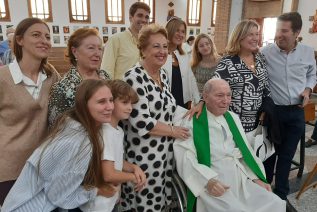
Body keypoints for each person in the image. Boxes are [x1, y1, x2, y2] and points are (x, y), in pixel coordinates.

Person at [2, 79, 117, 211]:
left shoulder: (72, 127)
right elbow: (60, 196)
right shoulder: (78, 141)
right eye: (101, 101)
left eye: (111, 100)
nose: (110, 107)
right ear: (84, 105)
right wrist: (96, 191)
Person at [173, 79, 285, 212]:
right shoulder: (191, 121)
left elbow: (245, 152)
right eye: (219, 95)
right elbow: (185, 157)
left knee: (275, 203)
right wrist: (207, 181)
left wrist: (256, 178)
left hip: (240, 178)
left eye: (228, 95)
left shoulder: (232, 117)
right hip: (213, 182)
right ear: (205, 97)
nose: (226, 101)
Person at [122, 24, 190, 211]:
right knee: (144, 205)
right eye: (156, 46)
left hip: (164, 156)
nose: (162, 52)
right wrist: (174, 131)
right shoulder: (133, 77)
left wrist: (195, 111)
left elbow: (169, 108)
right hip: (143, 157)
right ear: (143, 50)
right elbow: (141, 121)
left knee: (160, 204)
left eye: (165, 46)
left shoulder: (164, 75)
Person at [0, 18, 59, 205]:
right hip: (10, 169)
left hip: (43, 167)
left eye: (48, 36)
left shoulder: (51, 76)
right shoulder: (3, 78)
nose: (44, 40)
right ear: (20, 40)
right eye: (36, 35)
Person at [261, 12, 316, 201]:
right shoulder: (265, 52)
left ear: (297, 32)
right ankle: (265, 195)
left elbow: (312, 74)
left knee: (285, 158)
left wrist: (308, 90)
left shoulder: (307, 52)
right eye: (277, 30)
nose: (279, 34)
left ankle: (281, 198)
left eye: (284, 31)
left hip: (296, 113)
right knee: (269, 157)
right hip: (274, 112)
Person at [80, 80, 146, 212]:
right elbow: (109, 174)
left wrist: (133, 167)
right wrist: (134, 177)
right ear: (112, 102)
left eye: (131, 104)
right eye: (124, 102)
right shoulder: (106, 132)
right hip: (99, 205)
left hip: (110, 201)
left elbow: (114, 161)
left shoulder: (117, 131)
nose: (130, 108)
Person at [214, 20, 270, 136]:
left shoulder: (260, 58)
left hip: (258, 123)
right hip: (233, 124)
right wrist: (201, 102)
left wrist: (266, 109)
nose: (255, 38)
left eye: (257, 34)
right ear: (239, 37)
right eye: (250, 34)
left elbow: (266, 88)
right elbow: (213, 89)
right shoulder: (228, 62)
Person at [48, 28, 110, 127]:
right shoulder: (63, 88)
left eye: (100, 48)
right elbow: (56, 127)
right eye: (91, 48)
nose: (97, 54)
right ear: (74, 51)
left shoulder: (105, 76)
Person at [100, 2, 150, 79]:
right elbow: (106, 73)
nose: (144, 20)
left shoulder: (147, 43)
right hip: (120, 90)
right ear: (131, 18)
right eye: (140, 15)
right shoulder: (116, 40)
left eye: (147, 17)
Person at [163, 17, 200, 109]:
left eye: (183, 32)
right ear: (169, 31)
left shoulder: (184, 54)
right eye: (177, 30)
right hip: (165, 103)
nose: (180, 34)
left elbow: (191, 78)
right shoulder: (160, 54)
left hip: (183, 102)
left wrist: (198, 101)